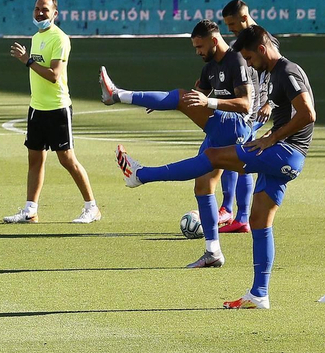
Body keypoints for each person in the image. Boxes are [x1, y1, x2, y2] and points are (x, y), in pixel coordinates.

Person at [116, 26, 315, 310]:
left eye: (249, 58)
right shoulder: (272, 72)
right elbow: (281, 104)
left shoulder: (287, 71)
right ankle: (259, 294)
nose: (248, 64)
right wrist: (268, 112)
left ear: (260, 49)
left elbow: (309, 113)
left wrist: (273, 137)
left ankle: (141, 175)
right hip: (285, 156)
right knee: (260, 222)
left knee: (212, 156)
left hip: (284, 152)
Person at [98, 20, 253, 268]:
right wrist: (163, 102)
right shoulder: (209, 68)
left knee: (181, 97)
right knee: (202, 187)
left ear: (214, 40)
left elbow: (245, 104)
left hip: (235, 127)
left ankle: (116, 94)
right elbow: (193, 98)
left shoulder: (236, 60)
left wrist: (207, 103)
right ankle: (213, 252)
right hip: (219, 131)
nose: (197, 52)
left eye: (200, 47)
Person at [3, 0, 99, 224]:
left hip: (57, 109)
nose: (39, 13)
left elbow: (54, 75)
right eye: (36, 9)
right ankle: (30, 210)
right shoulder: (36, 37)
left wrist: (27, 60)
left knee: (67, 159)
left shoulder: (60, 39)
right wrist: (29, 59)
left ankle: (92, 207)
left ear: (55, 14)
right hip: (37, 108)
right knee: (35, 159)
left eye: (44, 10)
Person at [218, 0, 267, 232]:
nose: (230, 29)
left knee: (240, 160)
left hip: (253, 111)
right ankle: (229, 211)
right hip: (244, 108)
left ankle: (241, 217)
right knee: (232, 157)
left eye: (232, 24)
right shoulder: (240, 43)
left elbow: (276, 75)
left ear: (244, 18)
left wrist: (269, 104)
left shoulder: (263, 41)